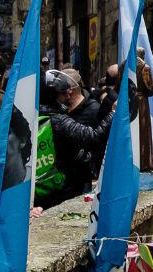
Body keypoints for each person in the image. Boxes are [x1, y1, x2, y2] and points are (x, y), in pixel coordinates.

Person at [44, 70, 113, 204]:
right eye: (63, 91)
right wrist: (113, 113)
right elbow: (94, 137)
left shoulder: (92, 109)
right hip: (63, 180)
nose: (67, 94)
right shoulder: (58, 118)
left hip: (69, 178)